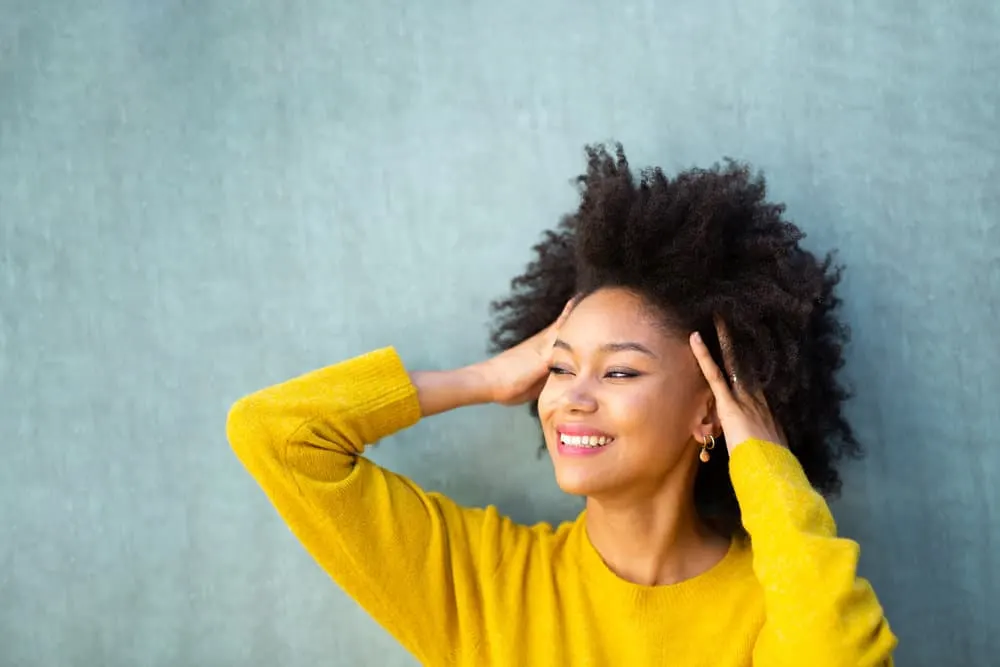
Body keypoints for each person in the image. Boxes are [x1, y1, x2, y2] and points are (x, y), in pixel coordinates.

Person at [227, 144, 897, 666]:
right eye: (561, 365)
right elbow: (276, 434)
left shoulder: (776, 598)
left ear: (709, 412)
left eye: (619, 370)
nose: (572, 396)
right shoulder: (490, 583)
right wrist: (486, 377)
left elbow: (844, 657)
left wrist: (765, 464)